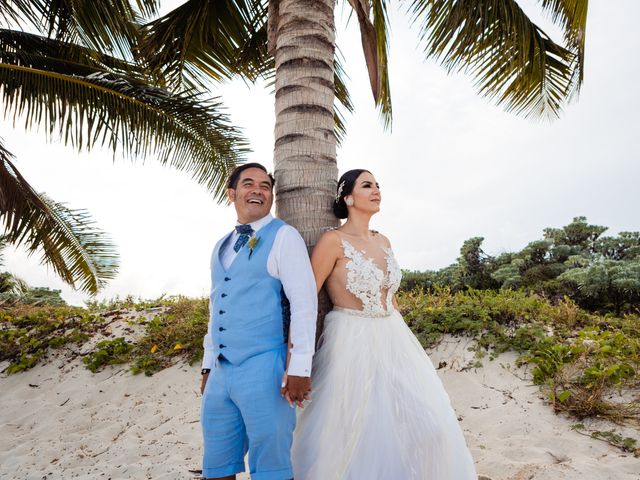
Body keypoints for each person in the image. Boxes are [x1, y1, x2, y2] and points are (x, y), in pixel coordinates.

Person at [292, 169, 478, 479]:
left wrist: (404, 342)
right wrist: (295, 352)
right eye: (367, 185)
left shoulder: (384, 240)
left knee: (432, 424)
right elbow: (307, 298)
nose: (376, 190)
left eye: (378, 185)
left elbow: (389, 297)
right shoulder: (333, 241)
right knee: (359, 428)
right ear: (347, 197)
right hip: (351, 337)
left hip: (393, 334)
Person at [200, 163, 317, 480]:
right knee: (217, 463)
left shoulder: (283, 236)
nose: (257, 190)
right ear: (232, 193)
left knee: (271, 466)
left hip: (266, 366)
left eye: (265, 186)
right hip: (222, 372)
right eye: (249, 183)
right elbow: (216, 304)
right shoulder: (220, 245)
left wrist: (299, 368)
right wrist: (208, 362)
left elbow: (304, 302)